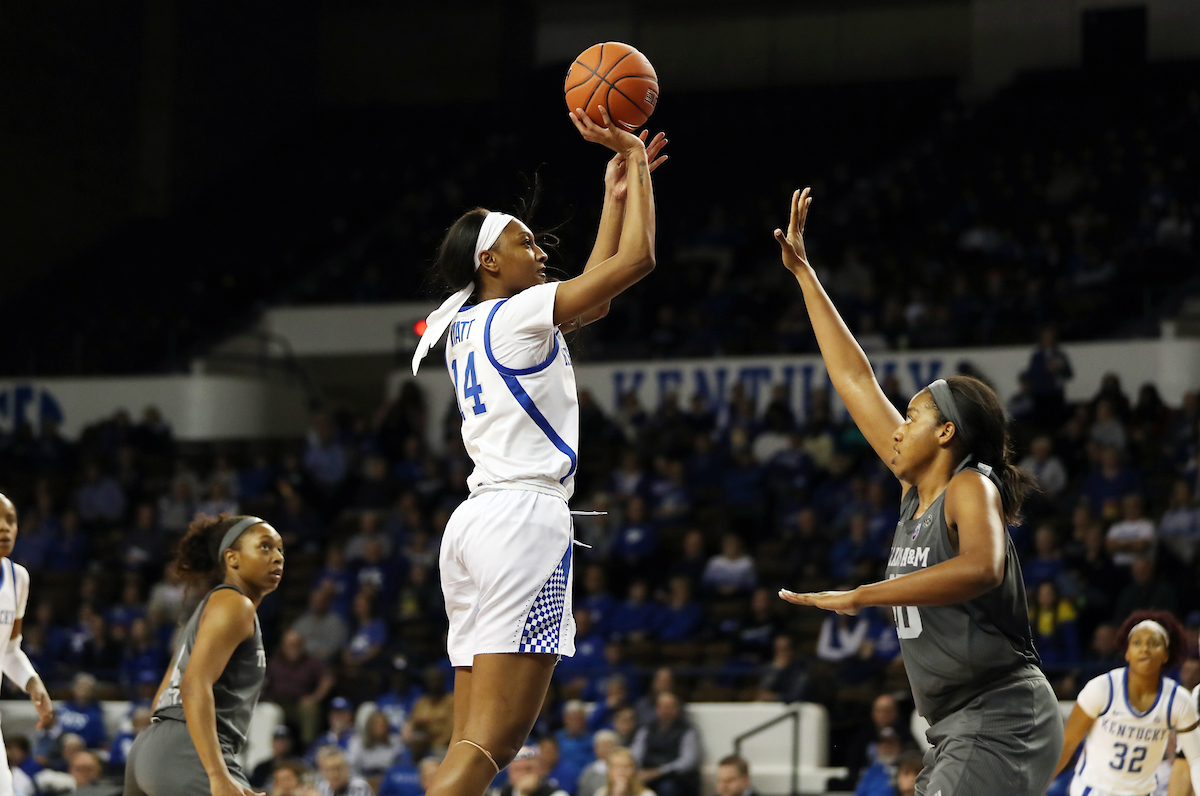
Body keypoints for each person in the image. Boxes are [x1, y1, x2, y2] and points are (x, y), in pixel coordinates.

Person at [773, 188, 1063, 795]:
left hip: (1001, 716)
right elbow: (853, 378)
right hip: (956, 726)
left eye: (913, 416)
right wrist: (805, 275)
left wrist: (864, 595)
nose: (899, 429)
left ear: (948, 432)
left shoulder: (968, 486)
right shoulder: (915, 489)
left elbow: (982, 567)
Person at [412, 104, 667, 796]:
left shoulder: (467, 320)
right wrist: (638, 164)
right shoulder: (517, 312)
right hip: (523, 521)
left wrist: (614, 197)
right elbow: (637, 263)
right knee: (494, 743)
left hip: (473, 525)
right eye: (527, 244)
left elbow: (594, 302)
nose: (541, 252)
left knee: (468, 738)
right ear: (488, 260)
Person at [125, 513, 285, 796]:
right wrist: (216, 774)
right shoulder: (236, 604)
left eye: (280, 549)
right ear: (232, 558)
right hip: (188, 750)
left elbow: (163, 695)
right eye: (265, 546)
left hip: (151, 748)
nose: (277, 557)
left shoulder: (208, 609)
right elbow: (193, 684)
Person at [1051, 610, 1200, 795]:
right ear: (1127, 652)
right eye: (1137, 643)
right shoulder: (1101, 688)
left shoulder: (1179, 700)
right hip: (1094, 790)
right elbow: (1068, 743)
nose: (1144, 649)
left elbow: (1195, 760)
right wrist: (1040, 786)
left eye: (1153, 644)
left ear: (1166, 655)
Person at [0, 492, 56, 794]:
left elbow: (8, 650)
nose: (4, 527)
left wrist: (32, 682)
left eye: (10, 520)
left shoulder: (17, 577)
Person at [630, 693, 700, 796]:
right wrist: (634, 768)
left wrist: (660, 771)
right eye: (661, 706)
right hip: (646, 772)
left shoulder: (687, 731)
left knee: (667, 788)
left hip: (673, 776)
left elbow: (688, 761)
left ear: (676, 709)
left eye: (668, 706)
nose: (664, 710)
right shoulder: (647, 729)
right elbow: (636, 752)